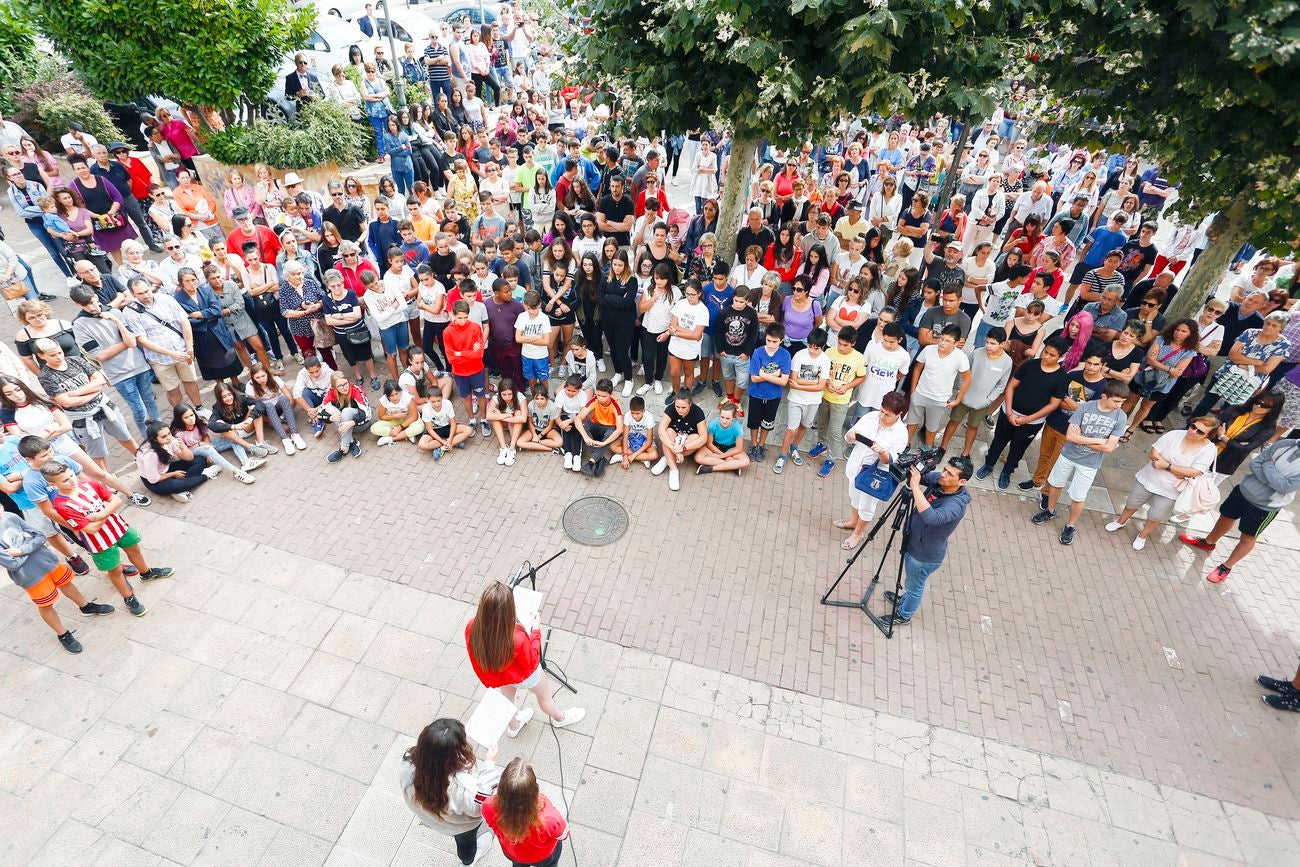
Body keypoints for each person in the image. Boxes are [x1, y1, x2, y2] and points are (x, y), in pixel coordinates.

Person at [42, 462, 172, 618]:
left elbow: (117, 500)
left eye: (71, 475)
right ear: (52, 484)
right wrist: (107, 510)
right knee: (115, 570)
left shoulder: (88, 482)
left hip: (118, 526)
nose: (71, 481)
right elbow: (90, 529)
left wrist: (99, 515)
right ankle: (128, 597)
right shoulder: (62, 505)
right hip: (98, 541)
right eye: (64, 480)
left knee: (135, 549)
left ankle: (146, 573)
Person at [465, 581, 585, 737]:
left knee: (507, 702)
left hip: (503, 676)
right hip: (525, 676)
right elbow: (532, 661)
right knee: (545, 697)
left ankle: (514, 727)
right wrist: (536, 630)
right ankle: (559, 718)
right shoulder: (517, 638)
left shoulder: (471, 626)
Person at [1179, 436, 1300, 583]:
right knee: (1225, 517)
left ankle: (1226, 567)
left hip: (1265, 506)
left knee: (1248, 538)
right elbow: (1255, 463)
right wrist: (1272, 478)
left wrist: (1268, 466)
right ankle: (1208, 543)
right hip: (1243, 490)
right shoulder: (1285, 444)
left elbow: (1285, 487)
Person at [0, 508, 115, 653]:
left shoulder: (10, 516)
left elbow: (40, 536)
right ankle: (63, 634)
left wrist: (21, 551)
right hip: (30, 576)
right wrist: (30, 543)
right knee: (46, 605)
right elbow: (12, 564)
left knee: (66, 583)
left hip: (48, 561)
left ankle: (85, 606)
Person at [1032, 381, 1129, 545]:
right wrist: (1099, 441)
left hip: (1090, 464)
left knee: (1078, 496)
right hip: (1068, 455)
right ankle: (1049, 511)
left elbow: (1109, 447)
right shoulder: (1085, 407)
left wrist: (1082, 439)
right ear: (1105, 396)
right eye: (1116, 401)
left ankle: (1070, 526)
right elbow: (1070, 437)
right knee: (1055, 485)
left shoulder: (1121, 417)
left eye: (1122, 402)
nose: (1119, 405)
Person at [881, 458, 974, 627]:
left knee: (915, 586)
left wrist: (915, 487)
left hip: (924, 555)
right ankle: (905, 598)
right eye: (944, 469)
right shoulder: (942, 480)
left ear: (962, 482)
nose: (943, 474)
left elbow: (932, 518)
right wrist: (914, 467)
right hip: (914, 542)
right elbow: (923, 477)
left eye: (949, 474)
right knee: (912, 581)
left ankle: (904, 615)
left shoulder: (956, 505)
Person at [1107, 416, 1221, 550]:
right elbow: (1153, 454)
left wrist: (1166, 466)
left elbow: (1194, 472)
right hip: (1149, 478)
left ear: (1208, 436)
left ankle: (1143, 535)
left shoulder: (1209, 449)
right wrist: (1179, 471)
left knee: (1156, 515)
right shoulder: (1175, 434)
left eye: (1200, 432)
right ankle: (1121, 521)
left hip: (1172, 490)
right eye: (1193, 426)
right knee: (1132, 502)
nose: (1193, 431)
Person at [401, 718, 500, 866]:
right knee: (466, 844)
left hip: (431, 816)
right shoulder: (461, 788)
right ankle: (467, 861)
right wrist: (490, 764)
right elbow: (479, 807)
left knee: (462, 841)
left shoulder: (407, 762)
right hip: (459, 827)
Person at [977, 336, 1069, 490]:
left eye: (1052, 355)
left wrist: (1027, 419)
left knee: (1018, 448)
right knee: (998, 440)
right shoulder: (1030, 365)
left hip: (1032, 422)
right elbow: (1011, 387)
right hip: (1009, 413)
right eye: (1045, 352)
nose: (1046, 357)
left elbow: (1053, 404)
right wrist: (1010, 412)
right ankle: (989, 464)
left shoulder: (1061, 378)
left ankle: (1007, 471)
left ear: (1061, 357)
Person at [838, 389, 910, 549]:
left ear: (898, 414)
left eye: (887, 415)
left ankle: (858, 533)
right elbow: (850, 436)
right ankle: (853, 522)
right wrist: (850, 437)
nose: (882, 416)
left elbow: (890, 461)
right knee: (854, 497)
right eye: (882, 411)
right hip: (856, 467)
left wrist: (882, 451)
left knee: (867, 506)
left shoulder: (901, 434)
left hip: (875, 475)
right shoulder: (870, 417)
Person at [121, 278, 205, 410]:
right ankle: (181, 415)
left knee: (191, 381)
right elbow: (142, 340)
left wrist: (189, 347)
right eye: (140, 293)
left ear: (151, 287)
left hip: (182, 350)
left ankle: (199, 408)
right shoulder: (130, 312)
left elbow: (184, 322)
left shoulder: (167, 299)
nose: (146, 295)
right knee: (172, 389)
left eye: (147, 291)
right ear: (133, 294)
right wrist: (171, 354)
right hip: (159, 359)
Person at [481, 758, 568, 867]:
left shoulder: (488, 806)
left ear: (501, 787)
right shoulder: (549, 818)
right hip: (543, 856)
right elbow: (563, 834)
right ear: (535, 790)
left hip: (513, 853)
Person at [941, 327, 1012, 459]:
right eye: (987, 342)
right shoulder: (977, 353)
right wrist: (961, 391)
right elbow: (964, 372)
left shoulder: (1007, 362)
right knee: (953, 421)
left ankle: (966, 453)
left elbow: (1001, 385)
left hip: (982, 402)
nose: (988, 346)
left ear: (1002, 344)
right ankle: (942, 447)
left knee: (973, 427)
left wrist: (988, 401)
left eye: (992, 343)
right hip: (964, 397)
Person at [807, 326, 866, 478]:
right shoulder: (829, 352)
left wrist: (846, 387)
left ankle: (831, 458)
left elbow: (861, 377)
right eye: (839, 343)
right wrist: (827, 383)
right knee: (822, 423)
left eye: (845, 345)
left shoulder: (858, 358)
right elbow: (822, 371)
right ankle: (821, 444)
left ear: (853, 343)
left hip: (841, 400)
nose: (841, 347)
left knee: (834, 431)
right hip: (825, 396)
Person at [774, 328, 831, 475]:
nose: (812, 350)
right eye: (810, 346)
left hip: (813, 401)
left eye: (816, 348)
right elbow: (793, 380)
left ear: (822, 346)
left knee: (804, 426)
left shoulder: (825, 360)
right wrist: (811, 383)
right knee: (792, 429)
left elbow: (821, 386)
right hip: (795, 399)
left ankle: (794, 448)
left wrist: (800, 384)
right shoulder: (799, 355)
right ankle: (782, 455)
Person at [907, 324, 971, 447]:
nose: (942, 343)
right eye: (941, 339)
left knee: (931, 428)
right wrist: (913, 391)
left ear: (956, 342)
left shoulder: (960, 357)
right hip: (920, 393)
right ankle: (904, 446)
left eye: (947, 341)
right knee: (911, 423)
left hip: (939, 399)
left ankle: (927, 451)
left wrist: (957, 400)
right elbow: (917, 369)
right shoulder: (928, 349)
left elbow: (967, 379)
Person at [134, 421, 217, 501]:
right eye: (163, 436)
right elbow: (153, 479)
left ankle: (183, 487)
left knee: (199, 459)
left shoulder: (170, 439)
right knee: (176, 486)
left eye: (169, 433)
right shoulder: (150, 455)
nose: (169, 437)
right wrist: (173, 474)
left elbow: (189, 458)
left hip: (167, 467)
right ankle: (207, 475)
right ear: (154, 439)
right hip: (154, 480)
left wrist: (183, 448)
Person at [745, 323, 791, 461]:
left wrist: (763, 374)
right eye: (768, 340)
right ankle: (753, 444)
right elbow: (753, 378)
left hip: (773, 396)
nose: (771, 344)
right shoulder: (758, 352)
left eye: (775, 341)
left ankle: (761, 444)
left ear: (781, 341)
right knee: (753, 422)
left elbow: (784, 382)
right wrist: (776, 374)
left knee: (767, 422)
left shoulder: (785, 355)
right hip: (756, 394)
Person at [651, 389, 707, 491]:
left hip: (687, 441)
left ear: (690, 404)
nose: (680, 410)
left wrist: (682, 448)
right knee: (668, 432)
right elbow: (661, 430)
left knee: (696, 437)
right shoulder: (670, 409)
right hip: (674, 439)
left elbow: (703, 438)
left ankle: (667, 458)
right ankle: (673, 469)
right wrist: (675, 449)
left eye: (683, 407)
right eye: (677, 407)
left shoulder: (698, 412)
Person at [575, 378, 624, 476]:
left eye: (604, 396)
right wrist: (585, 437)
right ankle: (601, 459)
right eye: (598, 395)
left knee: (611, 432)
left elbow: (620, 429)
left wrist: (604, 443)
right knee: (583, 425)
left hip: (609, 430)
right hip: (596, 427)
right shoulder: (594, 400)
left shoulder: (616, 405)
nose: (600, 398)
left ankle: (591, 462)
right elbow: (578, 418)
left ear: (610, 394)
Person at [320, 371, 371, 463]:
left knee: (346, 411)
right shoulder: (331, 392)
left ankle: (343, 448)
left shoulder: (355, 390)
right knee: (332, 411)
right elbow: (320, 412)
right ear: (335, 387)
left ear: (348, 381)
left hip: (360, 424)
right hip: (344, 426)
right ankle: (349, 443)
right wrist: (330, 418)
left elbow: (367, 414)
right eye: (340, 386)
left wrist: (352, 422)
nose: (344, 387)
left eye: (345, 383)